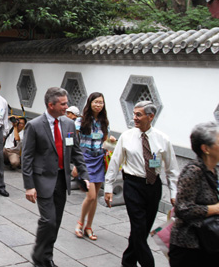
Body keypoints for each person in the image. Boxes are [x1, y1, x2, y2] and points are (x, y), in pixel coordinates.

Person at [104, 101, 179, 267]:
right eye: (134, 114)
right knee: (138, 226)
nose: (134, 118)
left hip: (153, 187)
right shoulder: (126, 136)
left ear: (150, 117)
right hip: (132, 185)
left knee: (142, 230)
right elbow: (115, 163)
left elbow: (172, 169)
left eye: (138, 115)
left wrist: (174, 193)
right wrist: (108, 187)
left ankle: (128, 260)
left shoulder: (162, 139)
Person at [22, 87, 89, 267]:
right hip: (42, 179)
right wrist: (29, 186)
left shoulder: (68, 124)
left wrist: (84, 174)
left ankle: (47, 257)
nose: (67, 107)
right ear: (50, 105)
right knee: (48, 220)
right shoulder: (34, 125)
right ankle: (38, 255)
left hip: (62, 179)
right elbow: (26, 157)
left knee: (56, 222)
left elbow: (76, 151)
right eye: (63, 104)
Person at [169, 122, 219, 267]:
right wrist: (217, 209)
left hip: (209, 242)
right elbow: (182, 208)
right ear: (206, 148)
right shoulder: (193, 171)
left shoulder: (211, 170)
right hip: (189, 247)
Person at [73, 93, 116, 240]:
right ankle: (80, 223)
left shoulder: (104, 122)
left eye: (101, 102)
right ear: (90, 103)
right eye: (96, 102)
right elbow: (73, 142)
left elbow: (106, 145)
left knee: (95, 197)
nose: (98, 105)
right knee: (90, 196)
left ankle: (89, 227)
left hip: (99, 160)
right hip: (85, 160)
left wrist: (112, 141)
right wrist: (75, 164)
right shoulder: (80, 120)